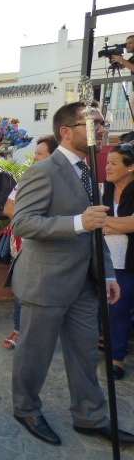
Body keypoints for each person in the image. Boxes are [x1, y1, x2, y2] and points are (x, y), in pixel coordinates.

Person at [11, 101, 134, 447]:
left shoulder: (90, 170)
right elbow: (23, 223)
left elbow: (96, 229)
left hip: (85, 283)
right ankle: (26, 408)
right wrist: (78, 222)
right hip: (45, 282)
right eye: (93, 123)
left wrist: (107, 274)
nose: (102, 129)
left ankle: (90, 416)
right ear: (66, 131)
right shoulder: (43, 171)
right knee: (35, 353)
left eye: (102, 123)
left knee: (85, 354)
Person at [2, 135, 58, 350]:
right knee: (20, 289)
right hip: (23, 246)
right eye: (35, 154)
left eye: (40, 154)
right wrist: (30, 220)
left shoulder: (61, 183)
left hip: (48, 248)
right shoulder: (27, 179)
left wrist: (28, 219)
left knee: (45, 292)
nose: (35, 158)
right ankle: (19, 329)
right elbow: (8, 208)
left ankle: (42, 334)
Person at [102, 144, 134, 380]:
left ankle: (117, 359)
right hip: (107, 259)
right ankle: (110, 344)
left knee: (120, 308)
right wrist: (119, 225)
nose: (107, 167)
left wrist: (106, 224)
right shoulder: (105, 190)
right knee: (111, 308)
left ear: (130, 167)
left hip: (129, 261)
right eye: (107, 162)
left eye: (114, 163)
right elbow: (94, 220)